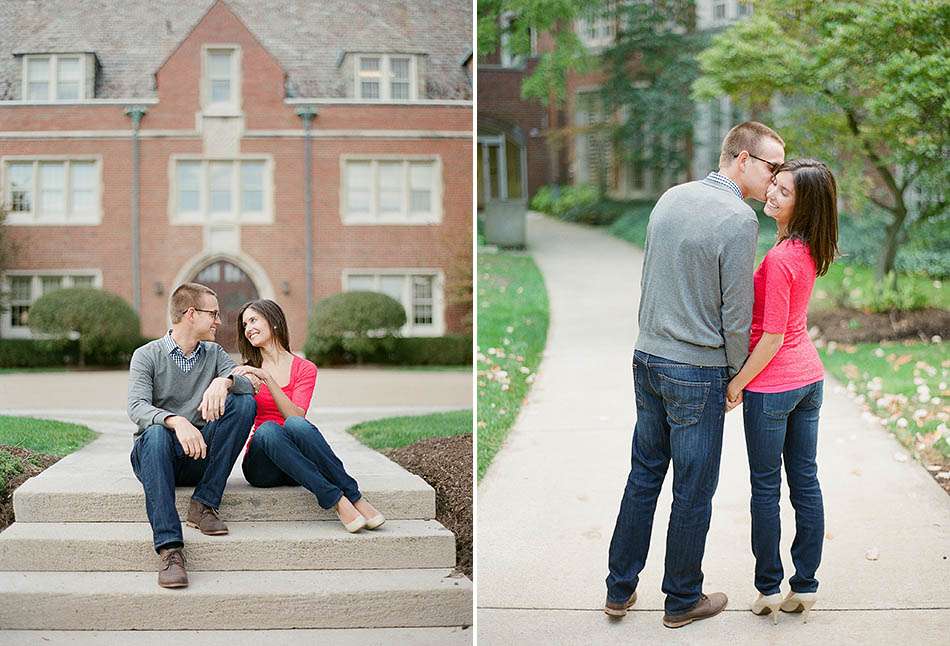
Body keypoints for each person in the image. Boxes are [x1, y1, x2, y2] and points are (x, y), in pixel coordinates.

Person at [604, 122, 786, 628]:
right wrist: (736, 375)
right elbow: (735, 311)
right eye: (772, 168)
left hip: (647, 358)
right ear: (744, 159)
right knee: (693, 487)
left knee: (643, 476)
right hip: (696, 369)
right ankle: (682, 598)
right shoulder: (738, 217)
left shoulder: (672, 196)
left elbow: (650, 276)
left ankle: (619, 590)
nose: (774, 181)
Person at [725, 159, 838, 624]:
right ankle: (805, 585)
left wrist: (737, 384)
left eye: (784, 191)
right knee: (805, 482)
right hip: (808, 379)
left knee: (766, 488)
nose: (771, 192)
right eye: (774, 183)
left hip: (773, 387)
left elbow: (772, 336)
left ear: (803, 204)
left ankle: (769, 587)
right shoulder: (807, 249)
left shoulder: (779, 258)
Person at [128, 282, 260, 589]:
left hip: (200, 454)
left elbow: (249, 384)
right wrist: (175, 421)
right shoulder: (146, 355)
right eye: (212, 313)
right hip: (157, 457)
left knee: (243, 403)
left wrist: (223, 383)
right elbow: (137, 407)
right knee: (156, 434)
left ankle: (204, 504)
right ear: (191, 314)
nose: (218, 320)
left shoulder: (214, 353)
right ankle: (170, 549)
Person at [232, 298, 384, 532]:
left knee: (296, 424)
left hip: (296, 462)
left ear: (273, 321)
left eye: (253, 320)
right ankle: (338, 500)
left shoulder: (305, 368)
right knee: (270, 429)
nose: (248, 328)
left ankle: (354, 497)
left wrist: (268, 379)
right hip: (262, 466)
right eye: (244, 325)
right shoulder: (247, 371)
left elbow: (295, 415)